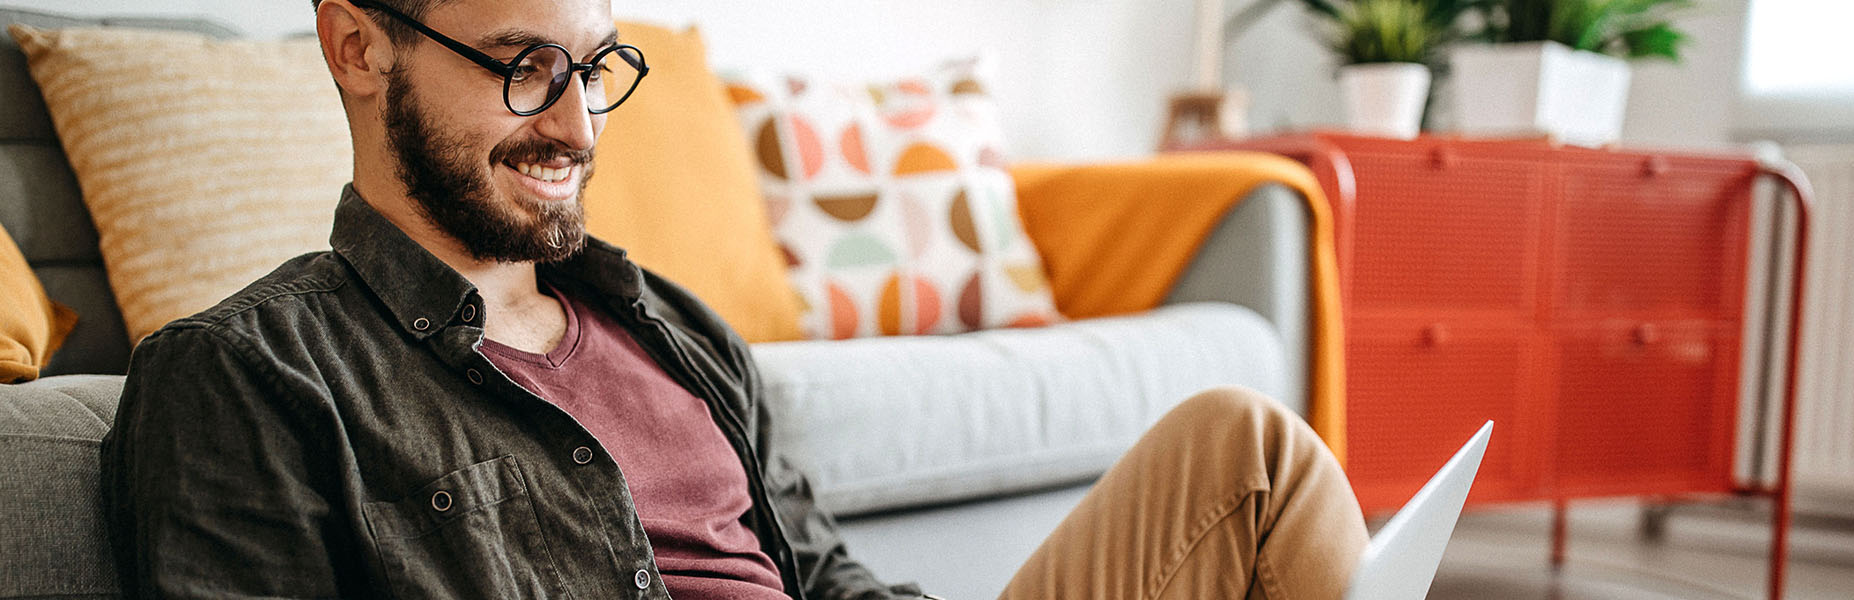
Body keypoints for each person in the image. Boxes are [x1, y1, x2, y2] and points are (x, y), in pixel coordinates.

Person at [98, 0, 1370, 598]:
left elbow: (815, 570)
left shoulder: (670, 326)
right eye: (527, 69)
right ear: (357, 46)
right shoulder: (251, 376)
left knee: (1245, 450)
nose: (580, 126)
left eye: (597, 69)